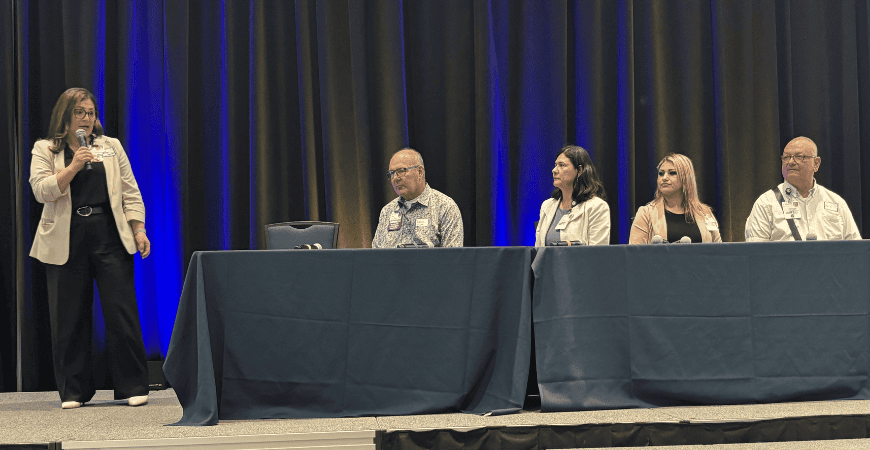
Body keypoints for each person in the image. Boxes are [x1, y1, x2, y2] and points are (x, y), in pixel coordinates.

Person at [29, 88, 152, 409]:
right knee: (68, 317)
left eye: (91, 112)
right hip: (65, 239)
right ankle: (74, 392)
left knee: (121, 311)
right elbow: (41, 190)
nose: (87, 118)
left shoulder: (110, 147)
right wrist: (71, 167)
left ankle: (132, 386)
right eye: (80, 112)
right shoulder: (46, 149)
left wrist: (138, 228)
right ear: (66, 117)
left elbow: (130, 188)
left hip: (109, 235)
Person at [745, 136, 860, 241]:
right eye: (786, 157)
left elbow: (856, 249)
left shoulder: (836, 202)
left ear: (816, 163)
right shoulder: (766, 203)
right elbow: (755, 254)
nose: (790, 162)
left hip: (831, 264)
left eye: (799, 157)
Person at [372, 148, 464, 248]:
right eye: (392, 173)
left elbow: (453, 257)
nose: (395, 178)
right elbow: (376, 254)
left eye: (401, 171)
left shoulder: (445, 206)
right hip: (391, 264)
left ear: (420, 172)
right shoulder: (387, 211)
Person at [630, 153, 721, 244]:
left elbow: (719, 251)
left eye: (672, 173)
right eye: (661, 173)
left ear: (686, 178)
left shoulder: (705, 213)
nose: (664, 178)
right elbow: (635, 254)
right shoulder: (646, 214)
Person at [535, 145, 610, 246]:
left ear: (579, 170)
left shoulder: (597, 207)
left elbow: (596, 253)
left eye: (562, 165)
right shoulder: (547, 205)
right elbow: (539, 249)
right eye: (555, 165)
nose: (554, 170)